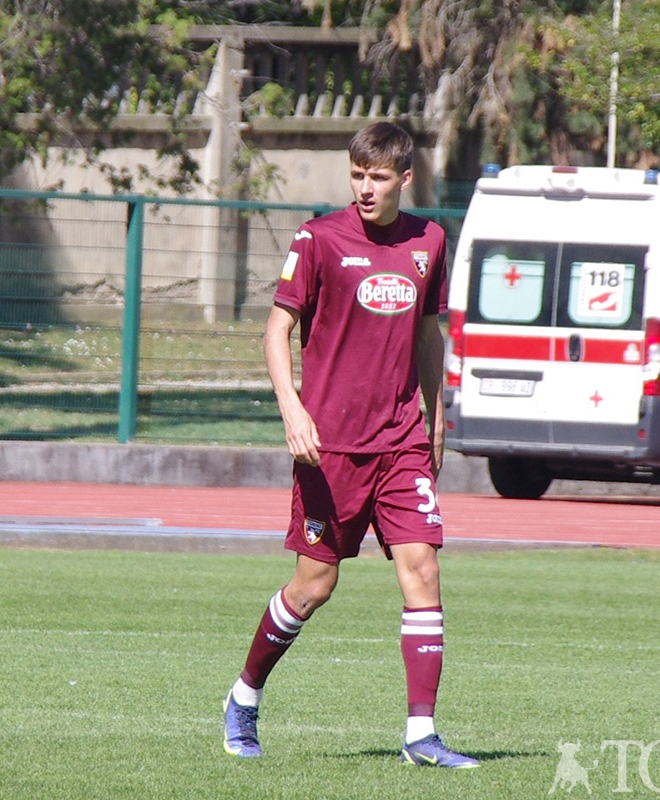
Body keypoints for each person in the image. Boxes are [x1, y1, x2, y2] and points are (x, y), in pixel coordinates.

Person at [222, 121, 479, 769]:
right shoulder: (318, 239)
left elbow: (428, 336)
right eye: (357, 175)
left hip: (400, 442)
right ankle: (245, 695)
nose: (365, 188)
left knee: (423, 569)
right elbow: (276, 331)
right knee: (314, 585)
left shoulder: (429, 241)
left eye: (378, 177)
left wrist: (436, 420)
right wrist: (292, 409)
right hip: (329, 447)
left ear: (404, 179)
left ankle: (421, 734)